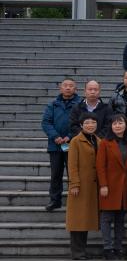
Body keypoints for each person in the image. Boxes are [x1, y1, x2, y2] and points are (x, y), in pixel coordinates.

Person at [95, 114, 127, 260]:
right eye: (115, 124)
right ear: (111, 126)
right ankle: (107, 248)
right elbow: (100, 166)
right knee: (106, 218)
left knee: (120, 219)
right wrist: (103, 185)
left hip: (125, 186)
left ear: (126, 125)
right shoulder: (105, 143)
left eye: (120, 123)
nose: (118, 126)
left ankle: (118, 247)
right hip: (109, 185)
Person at [42, 78, 81, 211]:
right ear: (60, 88)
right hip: (55, 145)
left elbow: (81, 122)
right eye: (65, 85)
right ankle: (55, 200)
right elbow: (46, 122)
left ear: (75, 89)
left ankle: (75, 200)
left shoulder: (80, 104)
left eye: (71, 86)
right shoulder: (52, 105)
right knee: (56, 174)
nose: (68, 88)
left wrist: (70, 136)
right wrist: (56, 136)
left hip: (74, 144)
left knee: (73, 173)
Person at [66, 113, 101, 260]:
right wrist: (74, 184)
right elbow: (72, 165)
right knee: (77, 219)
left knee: (85, 219)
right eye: (87, 122)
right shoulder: (76, 141)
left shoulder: (98, 140)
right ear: (81, 125)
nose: (90, 125)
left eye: (93, 122)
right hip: (80, 186)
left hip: (93, 186)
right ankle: (77, 252)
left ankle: (82, 251)